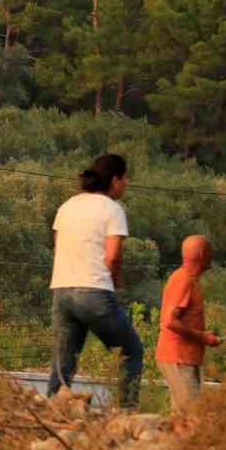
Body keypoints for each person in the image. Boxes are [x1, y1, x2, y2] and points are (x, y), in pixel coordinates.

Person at [47, 153, 144, 408]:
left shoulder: (67, 206)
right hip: (94, 291)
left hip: (61, 289)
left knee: (62, 362)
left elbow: (58, 248)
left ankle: (51, 411)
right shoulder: (113, 210)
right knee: (130, 351)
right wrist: (115, 284)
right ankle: (126, 412)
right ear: (114, 180)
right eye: (125, 178)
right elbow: (112, 257)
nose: (126, 183)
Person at [157, 235, 222, 413]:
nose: (212, 255)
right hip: (177, 357)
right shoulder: (183, 280)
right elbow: (170, 321)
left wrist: (203, 336)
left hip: (185, 358)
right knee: (193, 416)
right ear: (202, 254)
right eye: (210, 251)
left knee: (181, 418)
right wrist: (202, 337)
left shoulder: (189, 279)